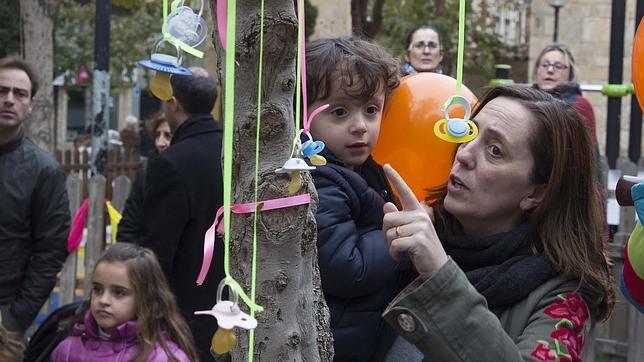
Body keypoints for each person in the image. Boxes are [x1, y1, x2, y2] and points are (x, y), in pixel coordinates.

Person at [381, 86, 614, 361]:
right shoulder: (413, 235)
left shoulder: (566, 295)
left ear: (537, 193)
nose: (464, 154)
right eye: (469, 132)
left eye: (494, 150)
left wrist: (439, 276)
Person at [305, 36, 412, 361]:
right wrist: (401, 233)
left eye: (371, 110)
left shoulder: (365, 170)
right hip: (339, 345)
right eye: (339, 112)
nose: (360, 126)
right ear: (303, 115)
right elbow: (349, 267)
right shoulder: (317, 178)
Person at [136, 67, 224, 361]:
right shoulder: (236, 150)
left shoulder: (171, 163)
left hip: (186, 314)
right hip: (237, 303)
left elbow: (156, 250)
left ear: (173, 103)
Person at [0, 56, 70, 336]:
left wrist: (14, 320)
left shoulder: (44, 171)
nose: (9, 99)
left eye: (19, 94)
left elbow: (51, 251)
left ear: (30, 105)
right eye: (1, 90)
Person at [51, 243, 196, 361]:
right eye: (98, 289)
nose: (103, 300)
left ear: (145, 298)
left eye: (119, 293)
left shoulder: (165, 358)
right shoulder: (67, 351)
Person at [117, 112, 172, 243]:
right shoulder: (146, 176)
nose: (160, 143)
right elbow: (127, 228)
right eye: (157, 135)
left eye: (168, 136)